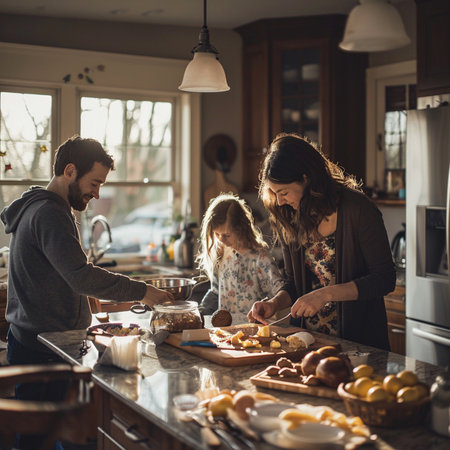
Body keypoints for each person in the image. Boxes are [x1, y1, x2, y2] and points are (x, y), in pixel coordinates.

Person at [1, 135, 173, 449]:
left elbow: (66, 274)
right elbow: (79, 276)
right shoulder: (50, 214)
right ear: (69, 171)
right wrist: (141, 292)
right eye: (94, 183)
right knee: (47, 440)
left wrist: (89, 304)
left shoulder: (41, 206)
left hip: (37, 342)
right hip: (43, 350)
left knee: (51, 437)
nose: (96, 193)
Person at [247, 133, 396, 350]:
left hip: (359, 346)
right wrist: (274, 304)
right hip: (307, 344)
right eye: (274, 193)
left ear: (306, 178)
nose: (279, 201)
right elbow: (294, 282)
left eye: (284, 192)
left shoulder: (358, 209)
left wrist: (325, 294)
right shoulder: (288, 215)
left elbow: (384, 278)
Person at [197, 193, 284, 321]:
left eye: (226, 235)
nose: (221, 240)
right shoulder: (222, 255)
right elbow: (215, 292)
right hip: (227, 331)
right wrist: (200, 311)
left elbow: (279, 294)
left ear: (241, 228)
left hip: (255, 330)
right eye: (217, 234)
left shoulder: (261, 259)